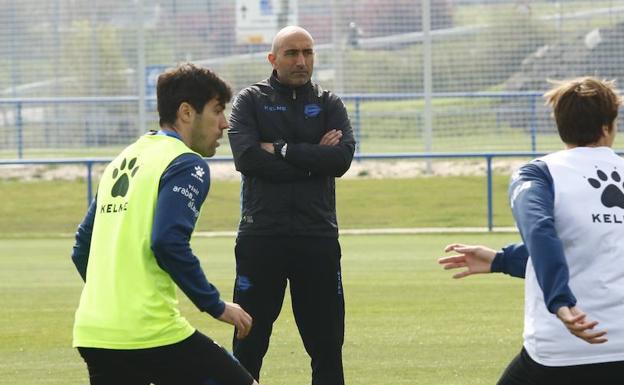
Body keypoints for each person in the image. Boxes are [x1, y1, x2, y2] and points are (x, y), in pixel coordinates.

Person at [71, 63, 258, 385]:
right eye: (217, 111)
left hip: (96, 332)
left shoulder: (124, 159)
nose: (224, 124)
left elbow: (81, 248)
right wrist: (214, 305)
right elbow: (168, 241)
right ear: (187, 112)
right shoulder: (186, 164)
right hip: (150, 332)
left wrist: (118, 301)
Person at [439, 77, 624, 385]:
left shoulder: (538, 173)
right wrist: (502, 260)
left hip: (563, 350)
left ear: (559, 124)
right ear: (608, 126)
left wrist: (561, 302)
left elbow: (540, 231)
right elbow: (593, 241)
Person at [227, 26, 356, 385]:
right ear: (273, 59)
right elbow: (248, 158)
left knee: (327, 345)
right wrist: (315, 159)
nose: (301, 60)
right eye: (292, 53)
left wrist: (282, 149)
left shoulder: (329, 103)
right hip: (261, 237)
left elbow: (341, 160)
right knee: (249, 342)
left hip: (317, 237)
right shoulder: (250, 101)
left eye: (308, 52)